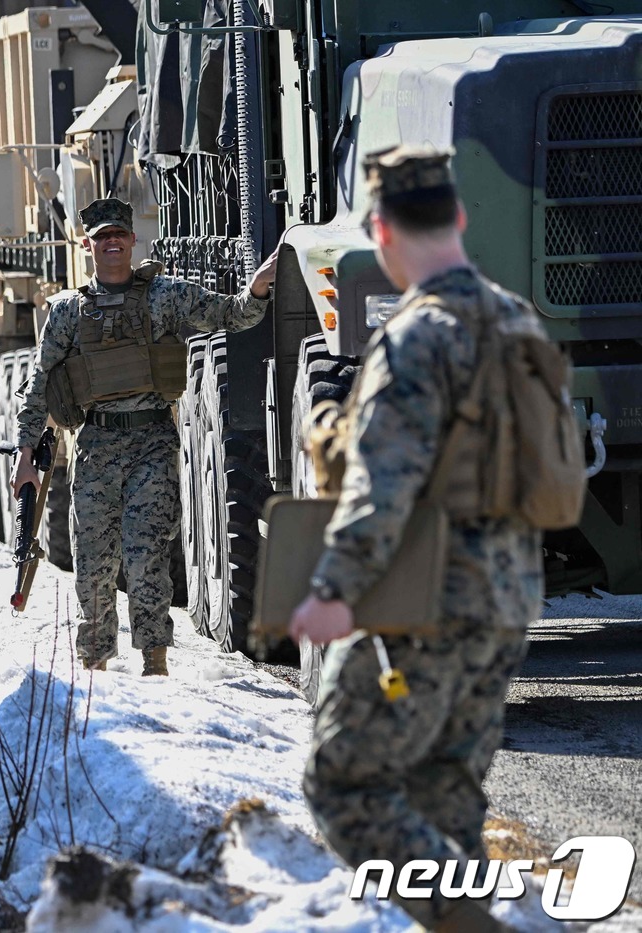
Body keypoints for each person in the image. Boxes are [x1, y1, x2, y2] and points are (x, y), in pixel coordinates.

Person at [289, 147, 542, 932]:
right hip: (506, 601)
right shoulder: (517, 320)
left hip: (425, 600)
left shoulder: (414, 336)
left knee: (342, 784)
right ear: (460, 217)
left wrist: (333, 591)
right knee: (445, 799)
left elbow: (382, 486)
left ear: (380, 230)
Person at [10, 197, 275, 675]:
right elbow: (39, 381)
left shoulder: (165, 296)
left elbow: (230, 315)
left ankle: (155, 664)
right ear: (87, 244)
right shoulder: (69, 312)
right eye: (102, 236)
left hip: (152, 442)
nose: (112, 243)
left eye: (120, 235)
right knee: (92, 562)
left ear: (133, 240)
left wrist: (255, 292)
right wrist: (26, 452)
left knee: (145, 554)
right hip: (96, 447)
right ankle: (95, 667)